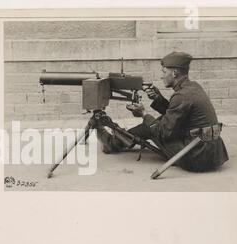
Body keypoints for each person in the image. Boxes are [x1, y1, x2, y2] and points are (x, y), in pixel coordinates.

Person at [91, 51, 229, 172]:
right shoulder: (192, 87)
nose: (162, 76)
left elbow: (164, 132)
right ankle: (118, 139)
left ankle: (111, 143)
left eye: (164, 72)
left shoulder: (181, 96)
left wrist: (144, 114)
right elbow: (177, 115)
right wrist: (157, 98)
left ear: (174, 73)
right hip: (213, 153)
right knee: (155, 122)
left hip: (196, 157)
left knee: (149, 125)